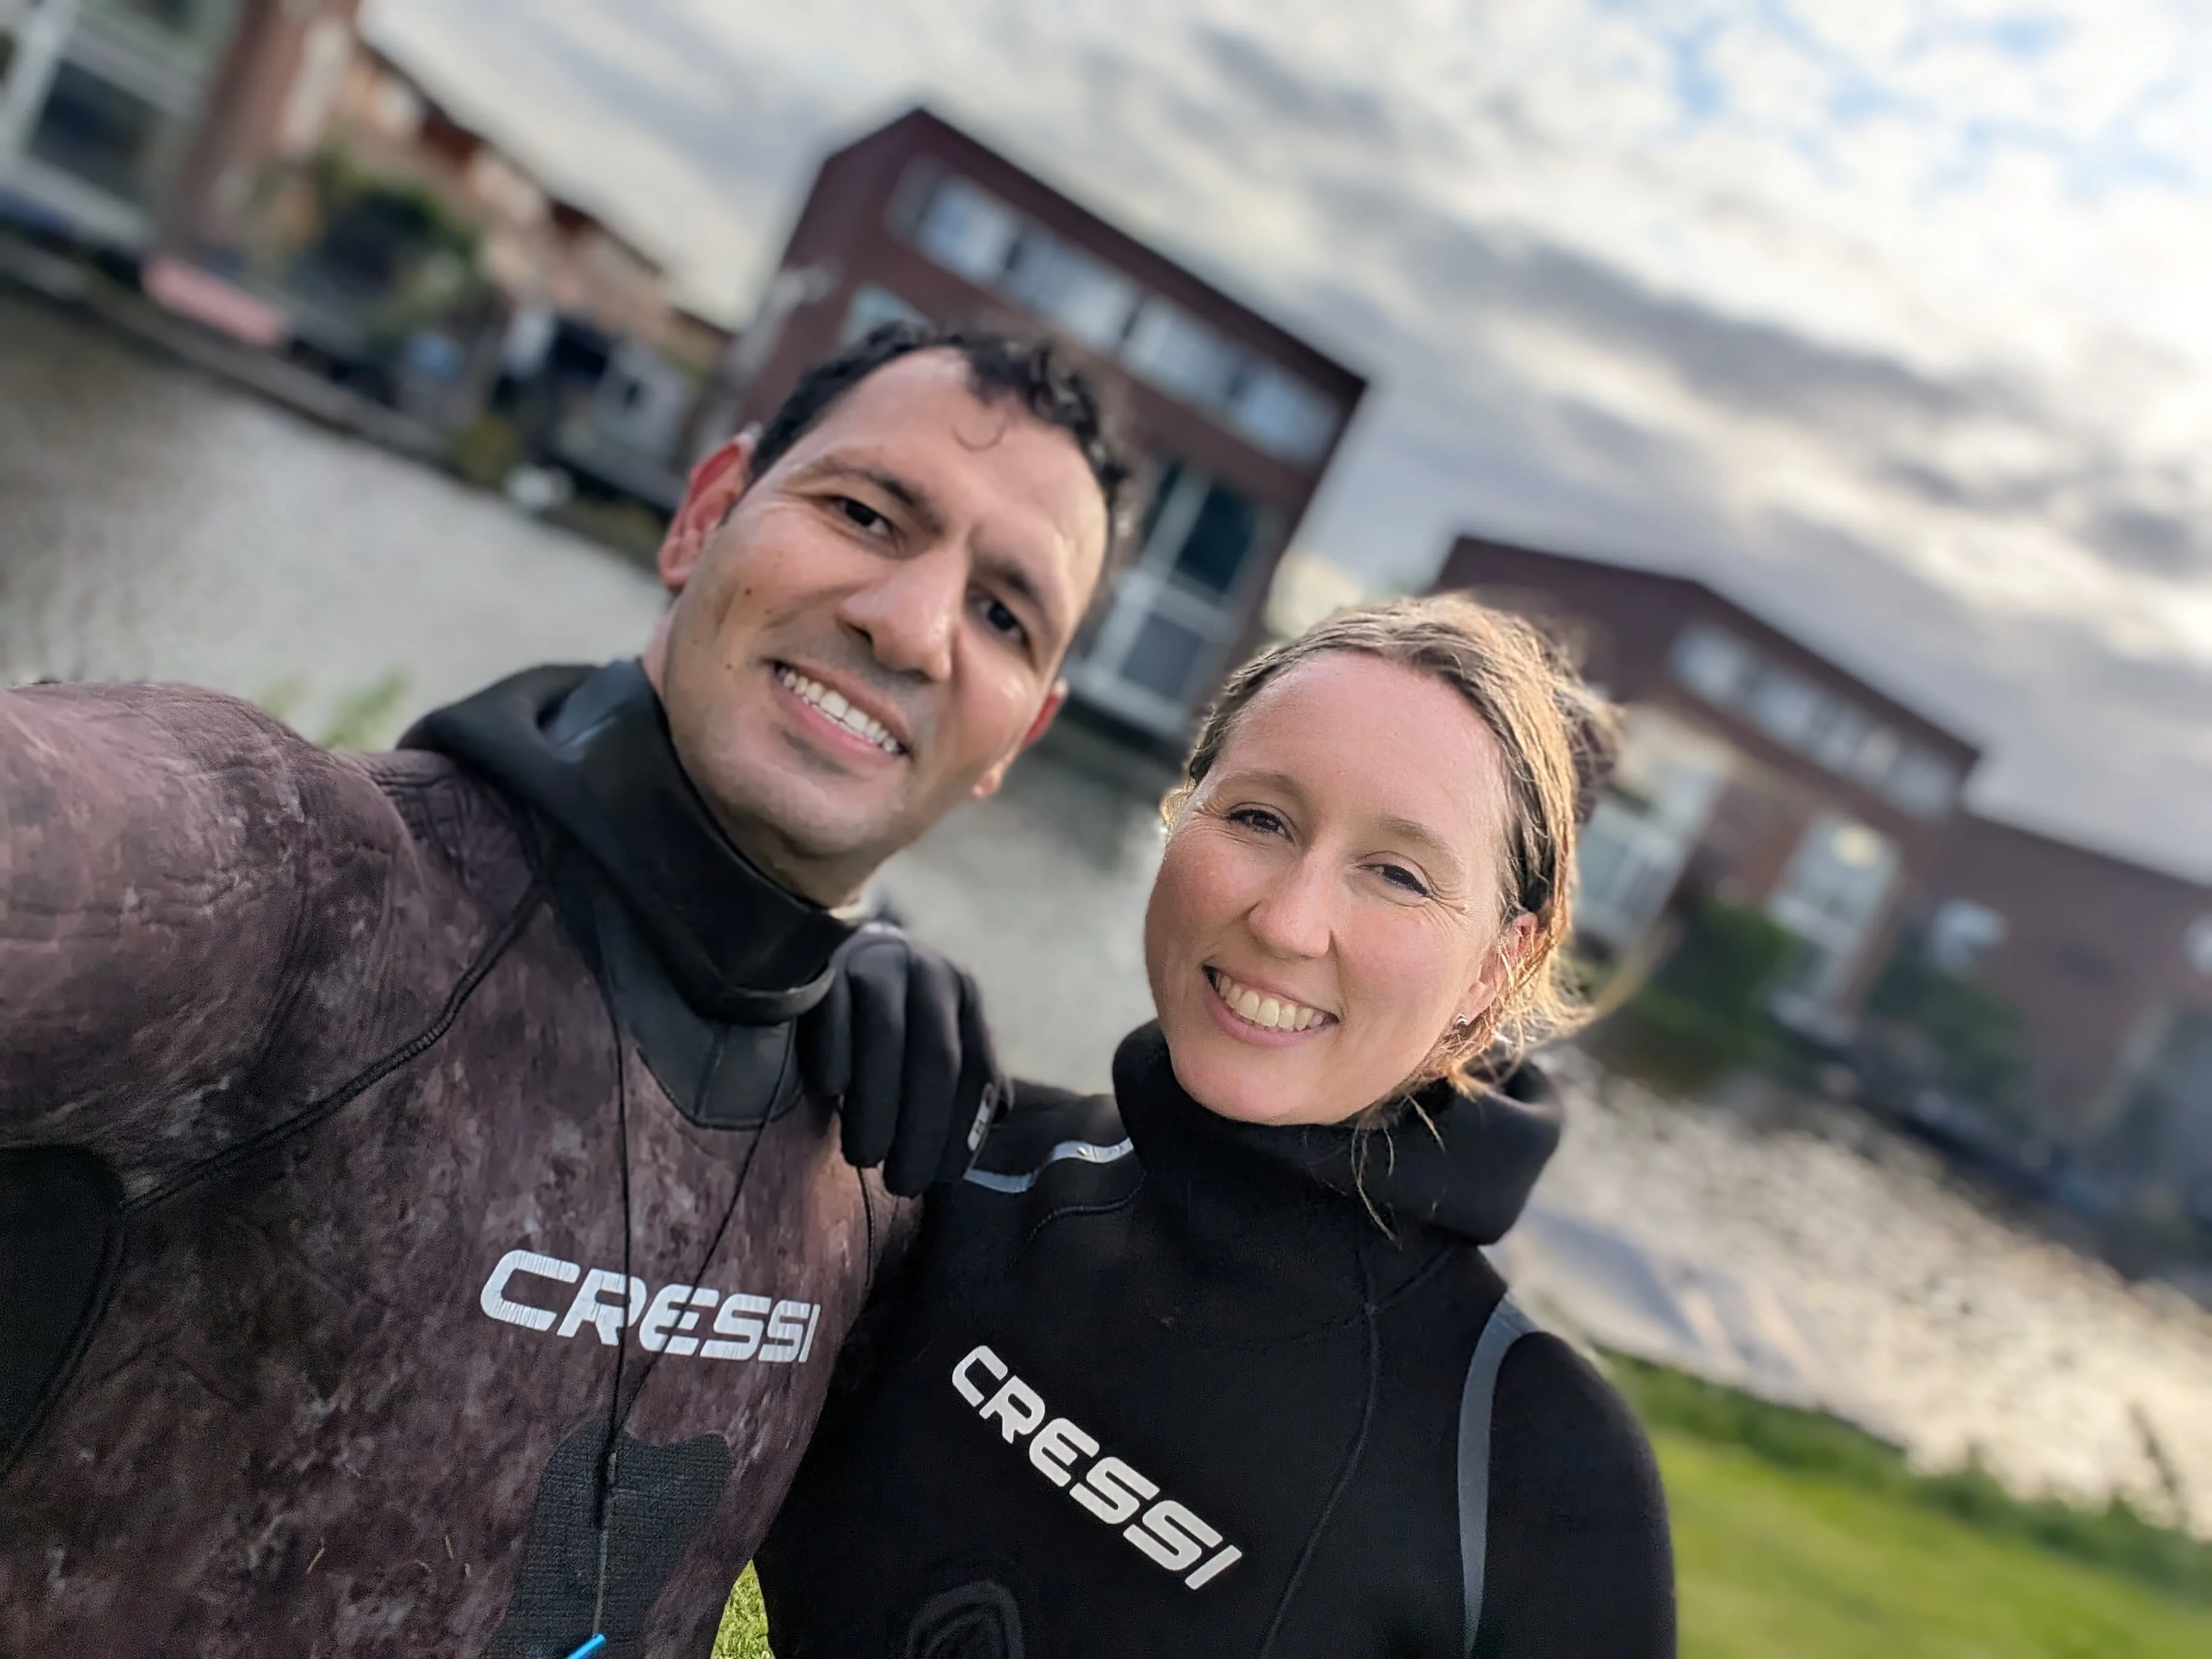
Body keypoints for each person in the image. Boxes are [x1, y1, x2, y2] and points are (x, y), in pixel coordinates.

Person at [0, 323, 1130, 1655]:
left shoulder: (878, 1166)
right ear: (704, 514)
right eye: (866, 514)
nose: (913, 626)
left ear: (1021, 732)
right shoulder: (307, 886)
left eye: (1003, 616)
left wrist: (856, 938)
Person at [757, 595, 1677, 1657]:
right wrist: (795, 970)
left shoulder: (1535, 1471)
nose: (1287, 921)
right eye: (1259, 820)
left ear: (1497, 967)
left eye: (1397, 874)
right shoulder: (952, 1166)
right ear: (1180, 809)